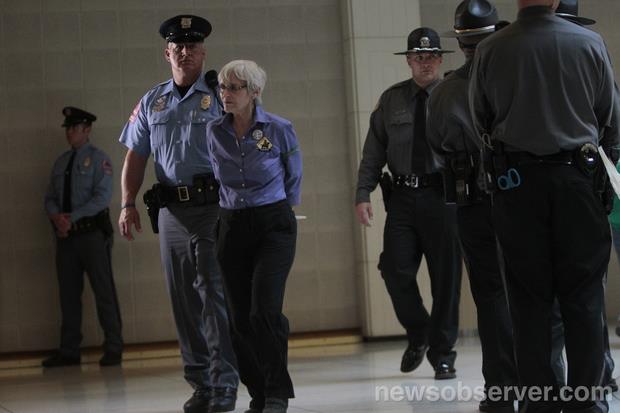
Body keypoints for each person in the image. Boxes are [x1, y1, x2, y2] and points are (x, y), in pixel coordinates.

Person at [469, 1, 618, 411]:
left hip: (517, 185)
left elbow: (480, 117)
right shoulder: (589, 43)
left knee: (528, 301)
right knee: (584, 296)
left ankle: (540, 402)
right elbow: (610, 116)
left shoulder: (492, 49)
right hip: (578, 181)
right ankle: (587, 402)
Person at [117, 15, 238, 413]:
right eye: (178, 46)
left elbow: (251, 144)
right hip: (170, 212)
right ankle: (201, 382)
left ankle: (223, 384)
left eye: (193, 45)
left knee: (211, 295)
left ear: (203, 52)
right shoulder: (153, 100)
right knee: (183, 299)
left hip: (212, 208)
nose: (185, 52)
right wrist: (127, 201)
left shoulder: (223, 95)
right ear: (167, 52)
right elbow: (136, 154)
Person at [355, 27, 462, 380]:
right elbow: (373, 152)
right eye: (419, 56)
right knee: (395, 269)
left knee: (446, 279)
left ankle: (443, 354)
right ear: (409, 61)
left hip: (442, 196)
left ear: (441, 59)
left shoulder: (453, 96)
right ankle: (419, 331)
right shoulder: (392, 100)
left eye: (431, 56)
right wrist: (362, 194)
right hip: (402, 197)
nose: (425, 62)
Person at [426, 1, 517, 411]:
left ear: (460, 44)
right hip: (521, 197)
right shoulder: (516, 80)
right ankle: (541, 382)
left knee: (490, 295)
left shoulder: (444, 91)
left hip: (473, 202)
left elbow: (439, 147)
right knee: (531, 292)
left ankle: (500, 389)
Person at [207, 60, 302, 413]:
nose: (226, 94)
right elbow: (218, 175)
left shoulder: (279, 129)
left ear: (254, 92)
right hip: (232, 224)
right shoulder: (214, 130)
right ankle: (259, 392)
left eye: (234, 88)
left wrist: (280, 210)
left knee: (265, 312)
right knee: (239, 320)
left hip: (273, 224)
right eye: (222, 87)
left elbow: (294, 175)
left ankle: (278, 392)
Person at [553, 0, 619, 394]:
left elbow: (611, 127)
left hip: (588, 184)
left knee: (586, 291)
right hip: (578, 186)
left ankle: (599, 372)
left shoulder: (591, 61)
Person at [43, 107, 122, 368]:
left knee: (103, 291)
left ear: (87, 130)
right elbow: (50, 197)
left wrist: (71, 218)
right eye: (68, 128)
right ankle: (69, 351)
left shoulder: (99, 160)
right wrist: (57, 218)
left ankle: (113, 347)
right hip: (65, 237)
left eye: (75, 128)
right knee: (68, 294)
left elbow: (101, 198)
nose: (70, 132)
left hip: (92, 235)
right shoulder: (61, 162)